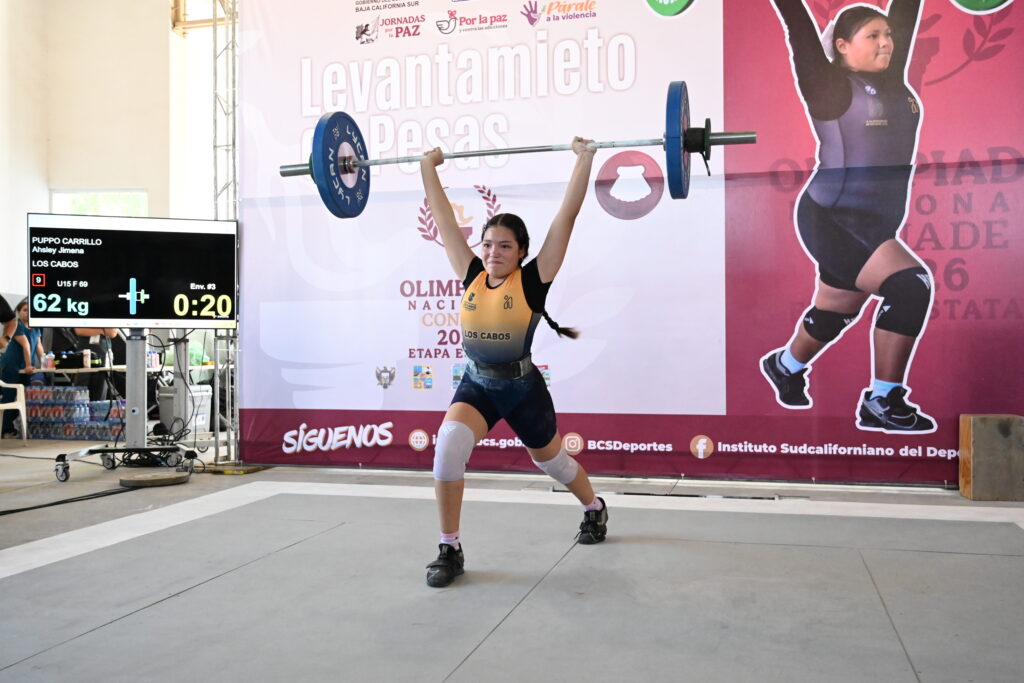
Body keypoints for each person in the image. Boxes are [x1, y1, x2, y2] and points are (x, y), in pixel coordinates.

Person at [419, 137, 606, 588]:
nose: (492, 253)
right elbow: (443, 219)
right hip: (477, 386)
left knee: (554, 464)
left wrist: (585, 159)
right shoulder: (471, 274)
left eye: (504, 246)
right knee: (448, 447)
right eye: (487, 245)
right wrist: (429, 166)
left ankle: (594, 507)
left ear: (521, 250)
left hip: (522, 390)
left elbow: (566, 217)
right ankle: (449, 547)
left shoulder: (533, 280)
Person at [762, 0, 934, 434]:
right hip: (834, 217)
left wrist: (894, 25)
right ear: (842, 45)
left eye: (888, 34)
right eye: (873, 36)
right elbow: (797, 24)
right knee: (909, 286)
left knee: (837, 308)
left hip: (874, 223)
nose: (886, 42)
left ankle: (785, 365)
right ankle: (882, 399)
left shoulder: (891, 79)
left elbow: (907, 9)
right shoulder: (828, 86)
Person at [1, 299, 44, 437]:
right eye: (24, 310)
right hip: (11, 366)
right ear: (18, 312)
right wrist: (28, 365)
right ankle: (5, 429)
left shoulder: (36, 327)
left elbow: (39, 346)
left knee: (23, 397)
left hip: (25, 368)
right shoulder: (17, 326)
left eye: (30, 311)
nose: (27, 313)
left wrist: (45, 363)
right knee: (9, 397)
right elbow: (26, 345)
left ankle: (11, 426)